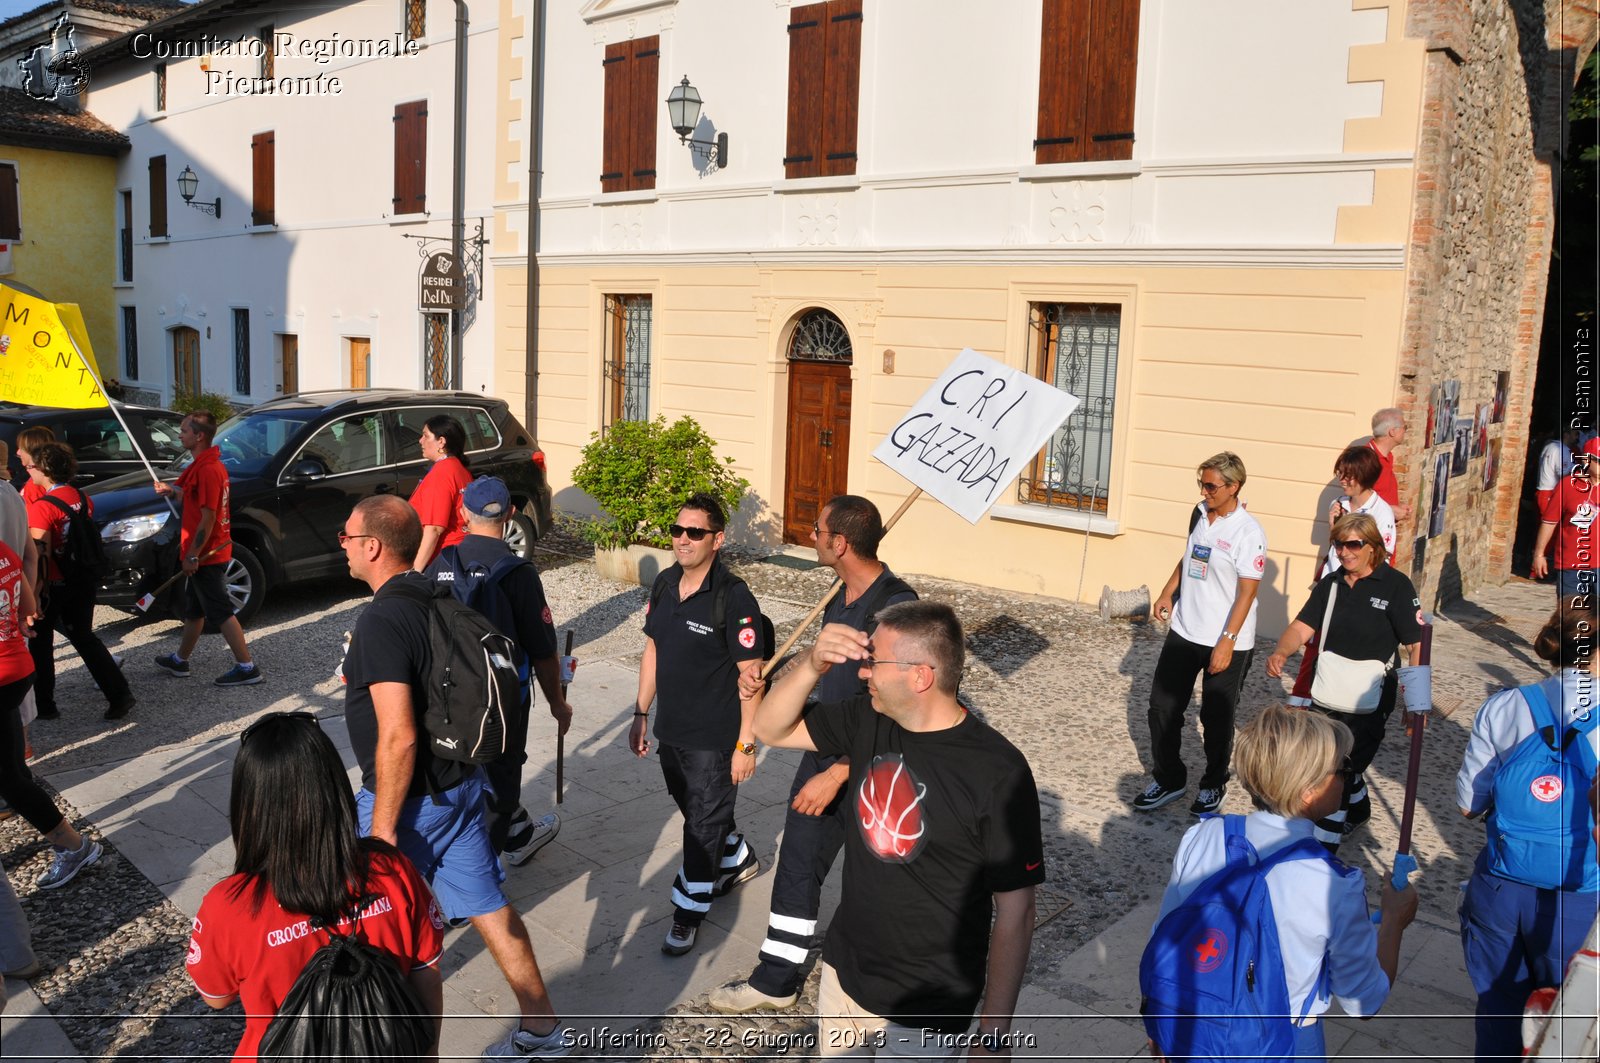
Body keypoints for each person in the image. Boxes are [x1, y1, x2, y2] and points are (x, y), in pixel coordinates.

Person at [753, 601, 1043, 1056]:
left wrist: (994, 1033)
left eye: (874, 662)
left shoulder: (998, 773)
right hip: (844, 975)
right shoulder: (867, 718)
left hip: (926, 1007)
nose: (863, 672)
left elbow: (1016, 911)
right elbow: (768, 728)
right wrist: (812, 664)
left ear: (920, 676)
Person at [339, 495, 570, 1060]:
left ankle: (372, 1045)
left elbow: (398, 736)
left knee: (366, 931)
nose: (341, 546)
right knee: (490, 907)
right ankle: (543, 1030)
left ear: (372, 546)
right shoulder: (433, 594)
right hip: (463, 787)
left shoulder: (382, 619)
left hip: (408, 803)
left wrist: (384, 830)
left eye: (347, 537)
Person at [710, 494, 917, 1014]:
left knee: (877, 880)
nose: (811, 536)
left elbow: (905, 711)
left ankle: (883, 987)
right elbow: (825, 671)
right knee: (799, 862)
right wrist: (777, 677)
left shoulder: (896, 608)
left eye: (818, 529)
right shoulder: (837, 594)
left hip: (874, 765)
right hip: (826, 745)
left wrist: (841, 773)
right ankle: (776, 980)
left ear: (839, 543)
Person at [1147, 705, 1418, 1062]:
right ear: (1308, 791)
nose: (1349, 778)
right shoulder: (1332, 883)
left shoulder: (1203, 837)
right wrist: (1394, 923)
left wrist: (1157, 1024)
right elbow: (1363, 1001)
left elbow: (1165, 935)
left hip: (1192, 1022)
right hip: (1284, 1038)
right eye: (1344, 769)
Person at [184, 711, 445, 1063]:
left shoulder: (230, 905)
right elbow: (426, 970)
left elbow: (216, 996)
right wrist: (429, 1054)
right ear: (334, 788)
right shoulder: (391, 869)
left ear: (250, 806)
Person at [1456, 597, 1600, 1062]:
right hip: (1579, 895)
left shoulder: (1504, 707)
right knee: (1567, 1021)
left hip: (1501, 887)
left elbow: (1466, 805)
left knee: (1499, 1007)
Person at [632, 493, 764, 956]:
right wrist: (641, 712)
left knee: (700, 827)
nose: (682, 540)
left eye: (695, 532)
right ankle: (737, 856)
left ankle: (688, 911)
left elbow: (753, 678)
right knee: (696, 810)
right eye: (677, 530)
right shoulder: (665, 583)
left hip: (716, 739)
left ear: (718, 539)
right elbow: (653, 649)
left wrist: (746, 744)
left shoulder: (734, 597)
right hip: (673, 730)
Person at [426, 475, 573, 864]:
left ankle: (517, 832)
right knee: (500, 778)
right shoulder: (518, 574)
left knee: (458, 774)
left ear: (462, 514)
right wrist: (559, 704)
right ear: (509, 513)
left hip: (445, 697)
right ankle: (482, 871)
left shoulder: (441, 565)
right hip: (502, 704)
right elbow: (543, 653)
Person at [1266, 513, 1423, 849]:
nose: (1344, 551)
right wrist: (1281, 651)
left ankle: (1322, 851)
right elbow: (1301, 627)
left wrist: (1416, 701)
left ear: (1372, 547)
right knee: (1335, 765)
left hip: (1370, 700)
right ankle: (1359, 808)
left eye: (1353, 544)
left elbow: (1416, 645)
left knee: (1335, 772)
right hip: (1328, 693)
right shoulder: (1331, 584)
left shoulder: (1396, 586)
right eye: (1339, 544)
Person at [1136, 452, 1267, 816]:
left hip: (1227, 640)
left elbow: (1247, 592)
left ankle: (1212, 784)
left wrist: (1226, 641)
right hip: (1185, 630)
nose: (1204, 491)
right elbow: (1190, 554)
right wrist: (1167, 591)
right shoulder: (1198, 512)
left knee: (1216, 718)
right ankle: (1169, 778)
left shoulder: (1248, 532)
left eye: (1211, 485)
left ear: (1234, 486)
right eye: (1202, 483)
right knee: (1162, 708)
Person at [0, 533, 101, 889]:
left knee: (11, 780)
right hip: (16, 670)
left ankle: (74, 846)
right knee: (12, 774)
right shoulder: (3, 552)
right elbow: (29, 607)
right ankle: (74, 845)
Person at [25, 441, 135, 721]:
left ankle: (45, 705)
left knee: (40, 643)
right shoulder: (82, 497)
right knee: (85, 638)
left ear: (44, 469)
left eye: (32, 467)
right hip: (82, 578)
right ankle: (119, 694)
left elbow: (41, 557)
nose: (30, 471)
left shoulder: (42, 507)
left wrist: (34, 595)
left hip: (56, 585)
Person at [1286, 445, 1400, 708]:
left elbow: (1382, 557)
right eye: (1340, 473)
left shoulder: (1380, 513)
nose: (1343, 480)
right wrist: (1334, 525)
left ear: (1365, 476)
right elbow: (1335, 548)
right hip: (1332, 584)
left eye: (1349, 475)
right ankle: (1300, 705)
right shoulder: (1337, 504)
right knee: (1315, 648)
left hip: (1357, 592)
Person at [152, 411, 261, 687]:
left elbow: (209, 517)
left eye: (184, 431)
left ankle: (247, 667)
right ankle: (180, 660)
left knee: (221, 612)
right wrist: (171, 491)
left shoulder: (209, 470)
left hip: (207, 555)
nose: (179, 435)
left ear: (198, 436)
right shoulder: (205, 465)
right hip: (205, 553)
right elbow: (193, 498)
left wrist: (192, 555)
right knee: (195, 610)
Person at [1530, 436, 1600, 598]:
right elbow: (1549, 522)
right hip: (1571, 563)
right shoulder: (1568, 486)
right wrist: (1539, 554)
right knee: (1571, 617)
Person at [409, 414, 473, 571]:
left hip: (441, 559)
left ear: (441, 442)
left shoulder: (441, 474)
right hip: (459, 554)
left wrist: (414, 571)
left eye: (426, 436)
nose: (420, 441)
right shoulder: (459, 469)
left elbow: (434, 529)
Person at [1366, 407, 1411, 523]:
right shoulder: (1366, 460)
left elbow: (1378, 494)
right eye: (1404, 427)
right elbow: (1356, 501)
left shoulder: (1388, 456)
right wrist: (1390, 509)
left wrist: (1397, 506)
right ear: (1392, 431)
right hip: (1369, 534)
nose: (1405, 431)